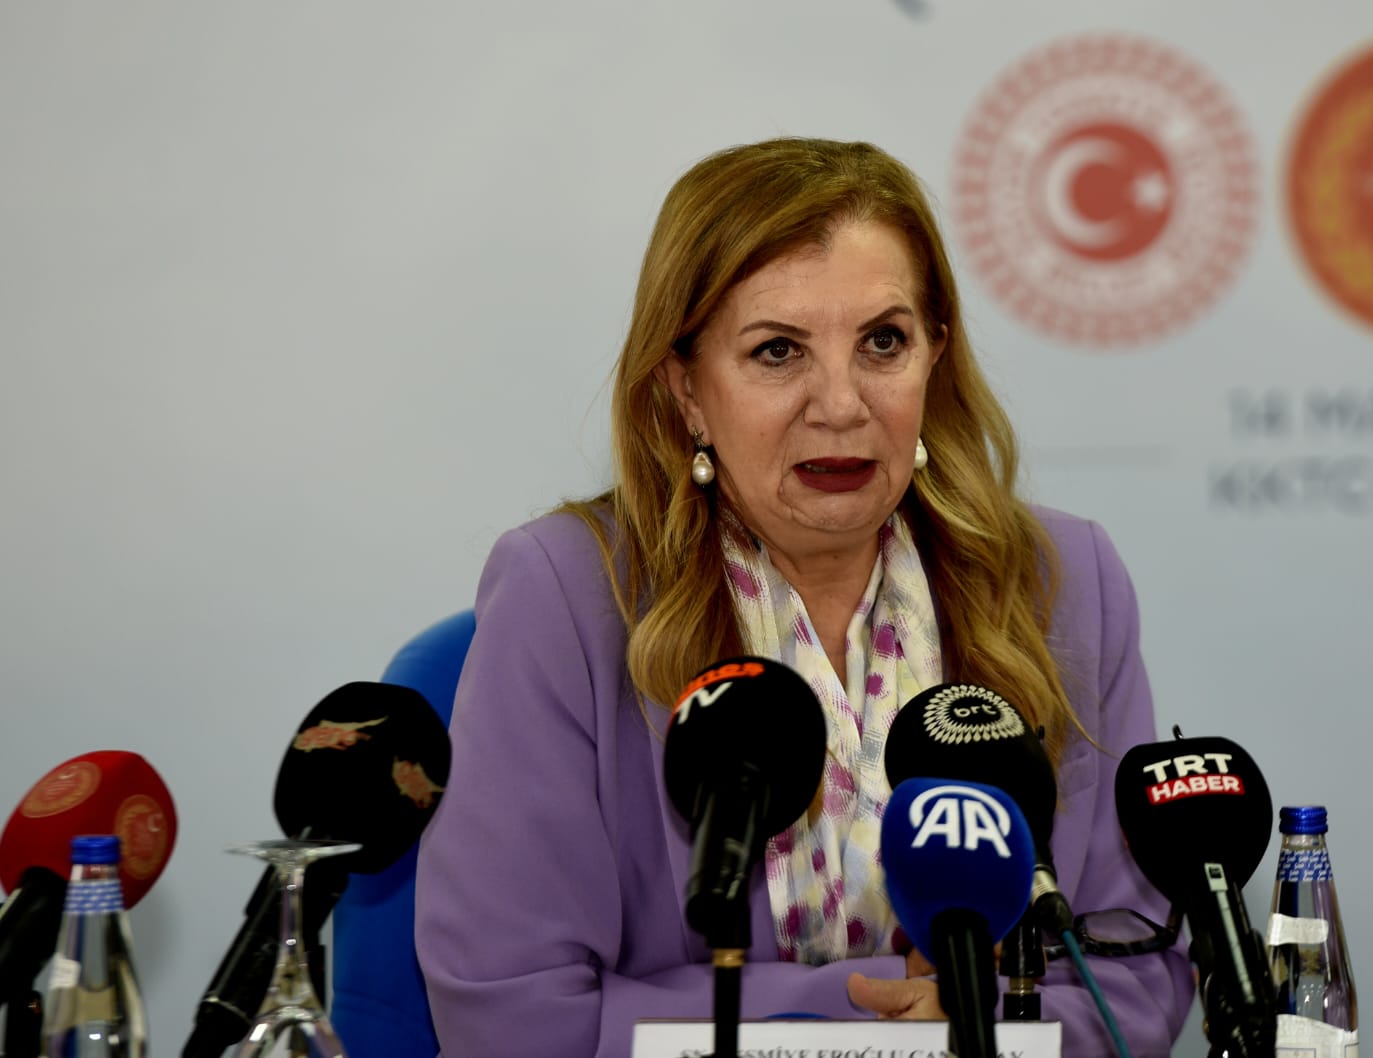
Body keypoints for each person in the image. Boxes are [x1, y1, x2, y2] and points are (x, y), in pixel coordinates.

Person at [414, 137, 1193, 1057]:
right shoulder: (569, 597)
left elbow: (1133, 971)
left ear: (935, 358)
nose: (841, 404)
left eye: (883, 343)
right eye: (778, 351)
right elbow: (511, 1012)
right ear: (685, 388)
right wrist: (897, 1025)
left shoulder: (1059, 581)